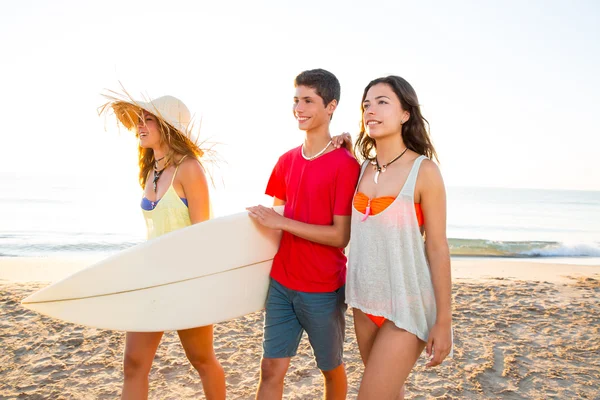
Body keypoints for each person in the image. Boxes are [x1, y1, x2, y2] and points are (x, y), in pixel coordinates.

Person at [99, 93, 226, 400]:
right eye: (139, 120)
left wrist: (201, 285)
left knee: (202, 360)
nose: (140, 126)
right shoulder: (150, 171)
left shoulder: (189, 169)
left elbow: (202, 235)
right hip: (150, 281)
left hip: (184, 281)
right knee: (134, 364)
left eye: (148, 119)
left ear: (168, 127)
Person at [333, 75, 453, 399]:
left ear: (405, 114)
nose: (371, 110)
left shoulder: (424, 171)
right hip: (363, 300)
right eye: (366, 105)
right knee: (390, 393)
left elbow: (438, 247)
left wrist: (444, 321)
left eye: (382, 102)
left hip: (407, 302)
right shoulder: (360, 170)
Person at [246, 69, 360, 400]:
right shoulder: (285, 161)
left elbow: (341, 236)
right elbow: (273, 224)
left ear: (331, 106)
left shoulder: (345, 165)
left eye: (309, 101)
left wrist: (283, 224)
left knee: (331, 368)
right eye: (296, 100)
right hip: (281, 285)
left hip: (323, 288)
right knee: (270, 370)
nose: (299, 108)